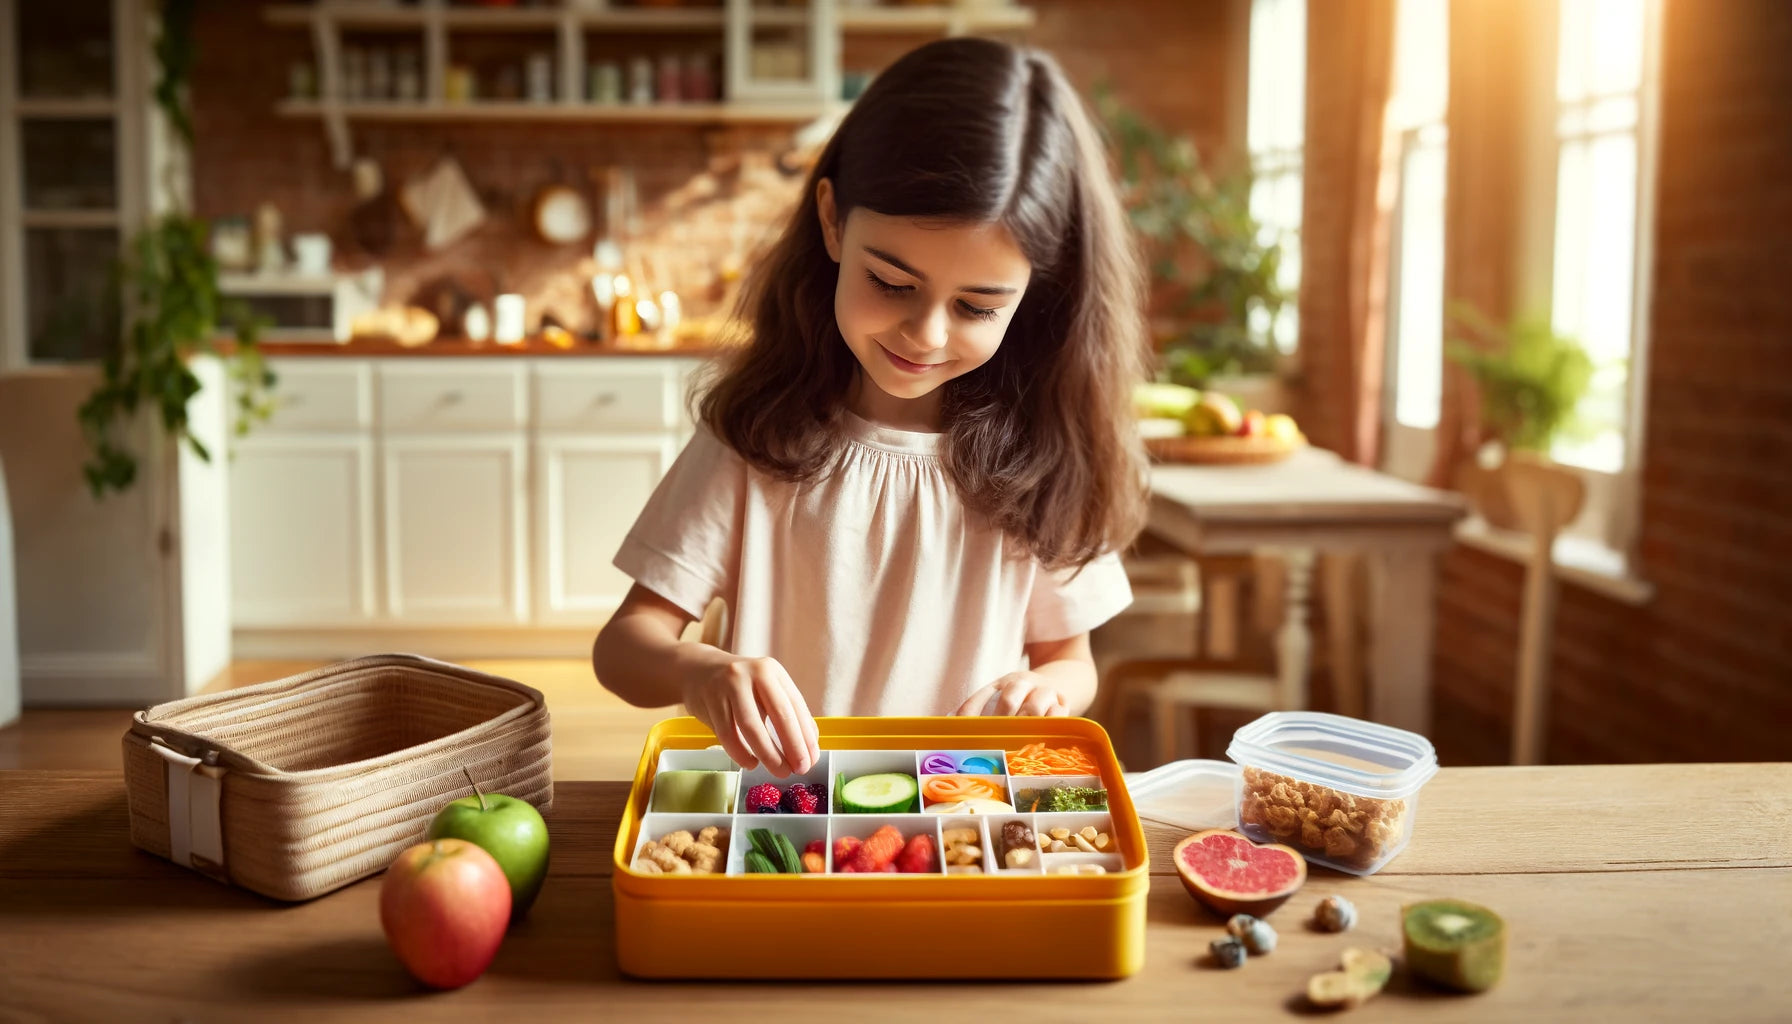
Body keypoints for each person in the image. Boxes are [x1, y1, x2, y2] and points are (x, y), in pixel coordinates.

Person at [592, 36, 1147, 778]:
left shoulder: (1044, 453)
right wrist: (698, 672)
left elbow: (1070, 661)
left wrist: (1043, 692)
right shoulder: (759, 434)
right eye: (890, 282)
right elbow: (624, 647)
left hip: (961, 815)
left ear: (1036, 290)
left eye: (979, 307)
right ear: (832, 222)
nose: (925, 333)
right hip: (786, 817)